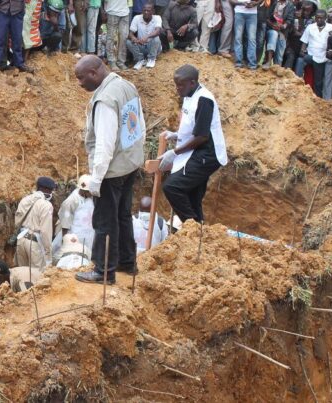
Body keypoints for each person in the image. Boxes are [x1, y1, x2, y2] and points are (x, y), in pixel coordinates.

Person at [73, 55, 145, 284]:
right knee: (123, 214)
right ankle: (127, 262)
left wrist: (96, 179)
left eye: (81, 78)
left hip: (112, 170)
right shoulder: (126, 86)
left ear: (94, 73)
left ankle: (104, 271)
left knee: (105, 221)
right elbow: (139, 125)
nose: (79, 83)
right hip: (130, 163)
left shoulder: (105, 100)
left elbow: (104, 144)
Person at [159, 65, 228, 223]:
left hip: (208, 154)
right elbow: (194, 126)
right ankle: (198, 232)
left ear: (192, 82)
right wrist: (177, 135)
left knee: (172, 187)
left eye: (181, 85)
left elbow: (202, 136)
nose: (178, 89)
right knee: (192, 196)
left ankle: (192, 229)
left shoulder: (204, 100)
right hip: (198, 150)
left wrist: (175, 152)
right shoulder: (190, 94)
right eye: (176, 85)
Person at [14, 177, 55, 269]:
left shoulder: (25, 200)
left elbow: (17, 221)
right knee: (36, 275)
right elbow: (45, 231)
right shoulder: (46, 205)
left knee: (23, 273)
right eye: (51, 190)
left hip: (21, 240)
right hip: (35, 243)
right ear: (47, 190)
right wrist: (48, 251)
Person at [53, 174, 95, 255]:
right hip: (74, 236)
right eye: (90, 191)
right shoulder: (71, 201)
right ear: (84, 191)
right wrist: (65, 241)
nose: (92, 193)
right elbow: (65, 224)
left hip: (88, 235)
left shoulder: (90, 198)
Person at [300, 9, 332, 98]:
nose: (319, 20)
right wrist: (302, 52)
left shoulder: (330, 27)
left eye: (321, 18)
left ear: (325, 18)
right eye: (317, 18)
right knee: (300, 61)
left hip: (322, 57)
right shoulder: (310, 27)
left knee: (318, 80)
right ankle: (298, 83)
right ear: (315, 18)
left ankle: (317, 98)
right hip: (310, 54)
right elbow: (304, 41)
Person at [0, 0, 32, 71]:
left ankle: (19, 63)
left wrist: (23, 9)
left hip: (17, 9)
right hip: (2, 8)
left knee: (17, 38)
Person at [126, 2, 162, 69]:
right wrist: (134, 38)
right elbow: (130, 33)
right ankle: (140, 60)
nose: (146, 12)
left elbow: (158, 31)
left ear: (153, 11)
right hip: (141, 45)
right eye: (144, 10)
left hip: (153, 47)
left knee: (156, 38)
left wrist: (147, 36)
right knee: (128, 42)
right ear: (142, 11)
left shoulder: (157, 18)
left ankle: (151, 59)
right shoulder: (137, 18)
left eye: (148, 10)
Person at [261, 0, 295, 69]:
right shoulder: (274, 2)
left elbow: (290, 20)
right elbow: (266, 17)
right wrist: (272, 25)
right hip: (271, 28)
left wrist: (283, 26)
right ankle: (269, 61)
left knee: (279, 54)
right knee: (274, 34)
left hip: (282, 31)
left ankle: (277, 68)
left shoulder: (290, 5)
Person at [231, 0, 263, 69]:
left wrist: (255, 3)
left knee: (252, 39)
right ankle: (238, 62)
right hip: (239, 12)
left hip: (252, 13)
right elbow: (231, 1)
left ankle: (252, 64)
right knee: (238, 38)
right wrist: (242, 3)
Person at [105, 0, 131, 70]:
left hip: (125, 12)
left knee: (124, 37)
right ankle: (111, 61)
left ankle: (121, 62)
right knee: (111, 37)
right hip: (112, 11)